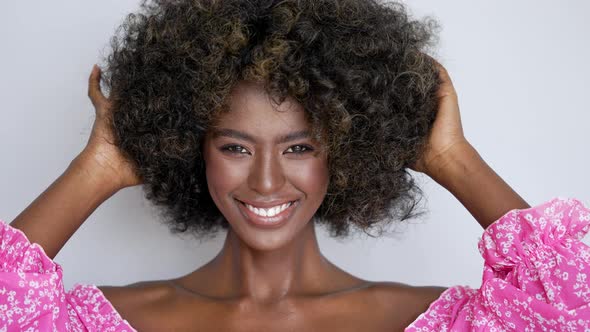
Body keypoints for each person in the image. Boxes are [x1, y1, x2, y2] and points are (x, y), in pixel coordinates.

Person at [2, 0, 589, 331]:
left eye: (300, 147)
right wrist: (99, 165)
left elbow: (573, 302)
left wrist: (451, 157)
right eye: (234, 146)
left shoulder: (426, 319)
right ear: (188, 144)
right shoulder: (113, 320)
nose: (264, 180)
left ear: (349, 146)